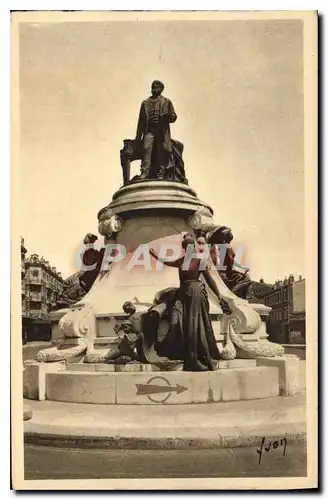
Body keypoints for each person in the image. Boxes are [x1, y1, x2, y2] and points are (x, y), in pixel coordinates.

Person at [149, 233, 222, 371]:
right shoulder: (182, 261)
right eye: (186, 246)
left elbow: (210, 281)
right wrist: (155, 256)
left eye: (190, 246)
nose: (189, 248)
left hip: (195, 294)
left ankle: (196, 358)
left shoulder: (200, 262)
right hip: (183, 294)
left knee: (195, 325)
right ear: (184, 248)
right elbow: (167, 262)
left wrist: (219, 296)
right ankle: (188, 357)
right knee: (182, 324)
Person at [136, 80, 177, 179]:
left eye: (157, 87)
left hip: (161, 132)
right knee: (146, 148)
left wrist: (169, 116)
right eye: (153, 86)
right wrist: (138, 136)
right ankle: (144, 172)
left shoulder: (166, 102)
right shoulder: (145, 103)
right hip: (149, 131)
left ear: (161, 89)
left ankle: (161, 173)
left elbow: (173, 116)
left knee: (161, 151)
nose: (154, 88)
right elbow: (141, 121)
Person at [207, 226, 252, 300]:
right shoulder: (226, 247)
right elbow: (230, 263)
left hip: (223, 271)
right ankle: (231, 294)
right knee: (247, 279)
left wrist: (241, 268)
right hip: (227, 273)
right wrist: (241, 269)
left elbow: (230, 262)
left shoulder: (220, 246)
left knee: (245, 277)